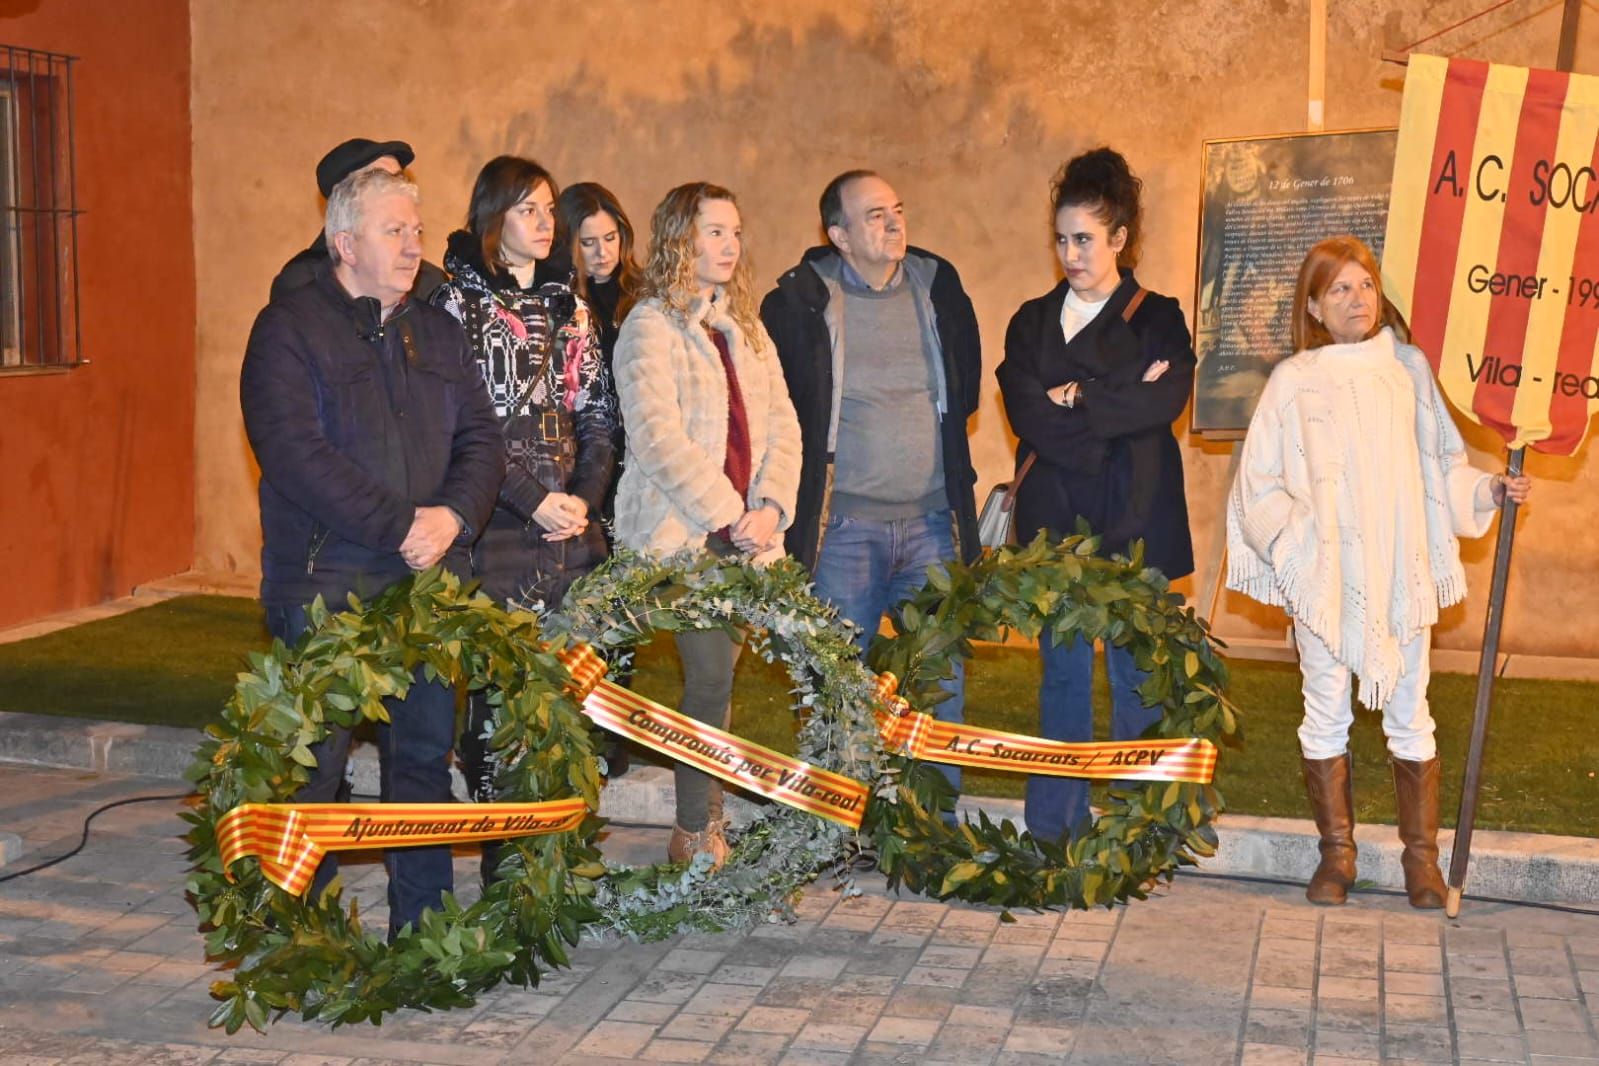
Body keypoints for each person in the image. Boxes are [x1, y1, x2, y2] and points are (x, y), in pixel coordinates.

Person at [1226, 234, 1531, 909]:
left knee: (1409, 710)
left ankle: (1419, 863)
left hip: (1398, 571)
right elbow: (1258, 485)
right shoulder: (1293, 382)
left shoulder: (1409, 369)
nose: (1355, 298)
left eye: (1363, 284)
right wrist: (1299, 542)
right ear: (1313, 304)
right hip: (1325, 577)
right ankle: (1336, 857)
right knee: (1324, 708)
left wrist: (1486, 491)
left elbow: (1438, 467)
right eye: (1337, 288)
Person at [240, 167, 502, 936]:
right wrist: (402, 525)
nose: (413, 244)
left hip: (426, 591)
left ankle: (422, 931)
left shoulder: (437, 328)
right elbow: (293, 452)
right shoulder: (287, 328)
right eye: (395, 231)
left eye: (417, 230)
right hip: (327, 587)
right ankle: (299, 938)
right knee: (312, 772)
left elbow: (483, 440)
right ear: (344, 242)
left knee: (422, 764)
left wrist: (453, 517)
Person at [995, 147, 1196, 845]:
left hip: (1137, 517)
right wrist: (1110, 405)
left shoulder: (1159, 317)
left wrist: (1073, 398)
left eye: (1084, 238)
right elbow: (1024, 411)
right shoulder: (1028, 320)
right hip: (1055, 528)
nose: (1070, 252)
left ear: (1118, 239)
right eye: (1060, 238)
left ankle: (1139, 829)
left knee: (1140, 681)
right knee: (1063, 682)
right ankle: (1055, 827)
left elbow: (1162, 401)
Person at [760, 170, 981, 799]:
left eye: (898, 209)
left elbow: (960, 393)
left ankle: (934, 827)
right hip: (843, 533)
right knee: (834, 688)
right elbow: (779, 410)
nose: (893, 223)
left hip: (934, 526)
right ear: (839, 234)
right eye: (875, 215)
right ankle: (830, 830)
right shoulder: (797, 303)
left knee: (938, 683)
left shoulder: (938, 287)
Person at [612, 182, 802, 867]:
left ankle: (707, 818)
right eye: (713, 231)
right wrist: (729, 515)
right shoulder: (649, 325)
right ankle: (696, 829)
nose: (728, 245)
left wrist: (771, 509)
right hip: (682, 538)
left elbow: (783, 424)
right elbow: (658, 438)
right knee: (710, 675)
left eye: (735, 232)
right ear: (677, 240)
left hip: (746, 539)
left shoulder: (743, 327)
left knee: (723, 679)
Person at [433, 157, 617, 854]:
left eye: (548, 211)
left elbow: (598, 415)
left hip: (569, 527)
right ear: (492, 218)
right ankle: (497, 851)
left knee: (568, 688)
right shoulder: (455, 302)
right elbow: (461, 425)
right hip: (496, 525)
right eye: (528, 210)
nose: (546, 223)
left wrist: (580, 500)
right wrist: (531, 500)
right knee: (494, 690)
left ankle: (557, 849)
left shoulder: (569, 302)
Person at [270, 137, 447, 304]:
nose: (397, 192)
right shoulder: (303, 281)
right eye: (382, 182)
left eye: (400, 180)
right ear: (345, 199)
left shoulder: (430, 283)